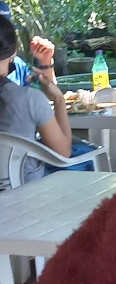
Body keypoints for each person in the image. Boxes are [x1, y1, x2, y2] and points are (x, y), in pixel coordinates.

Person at [0, 17, 74, 182]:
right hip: (25, 190)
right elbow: (63, 153)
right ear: (12, 53)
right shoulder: (29, 98)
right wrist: (59, 100)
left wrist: (46, 63)